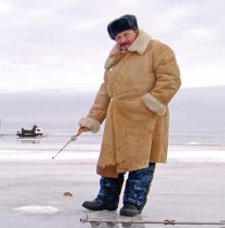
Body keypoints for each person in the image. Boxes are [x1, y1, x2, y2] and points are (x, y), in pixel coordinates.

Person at [77, 14, 181, 217]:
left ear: (136, 31)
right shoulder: (114, 60)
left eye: (125, 34)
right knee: (110, 162)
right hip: (117, 120)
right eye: (117, 38)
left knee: (141, 162)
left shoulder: (158, 50)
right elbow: (105, 92)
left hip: (145, 118)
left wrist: (149, 103)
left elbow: (171, 80)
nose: (122, 40)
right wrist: (93, 118)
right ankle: (106, 200)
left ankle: (133, 203)